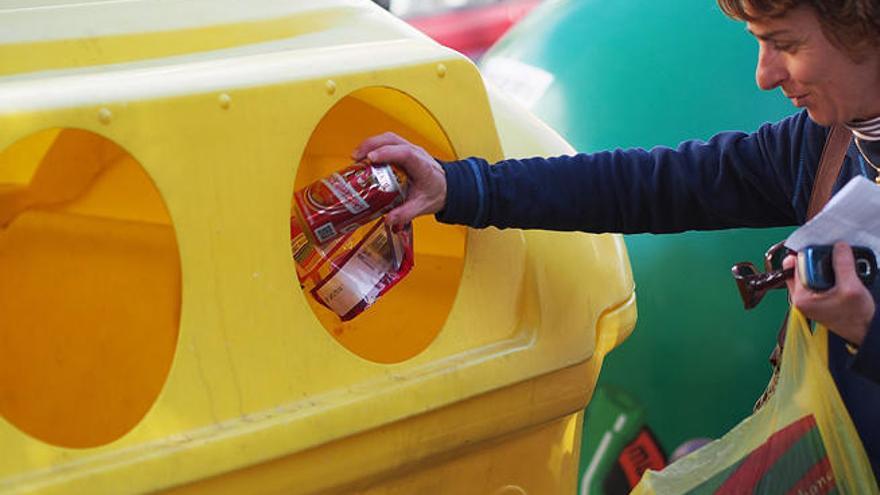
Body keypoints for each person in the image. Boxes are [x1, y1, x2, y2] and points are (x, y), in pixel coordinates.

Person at [353, 0, 880, 478]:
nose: (765, 75)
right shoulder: (825, 142)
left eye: (786, 44)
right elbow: (649, 185)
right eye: (759, 41)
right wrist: (461, 186)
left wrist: (865, 331)